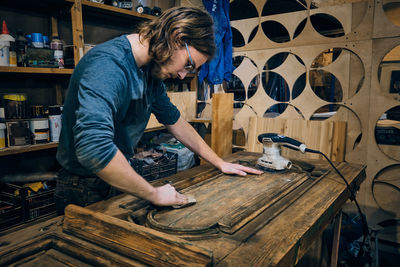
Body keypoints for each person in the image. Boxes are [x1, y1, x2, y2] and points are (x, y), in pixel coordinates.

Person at [55, 6, 262, 215]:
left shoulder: (151, 73)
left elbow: (174, 120)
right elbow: (93, 147)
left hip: (116, 178)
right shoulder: (109, 64)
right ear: (176, 37)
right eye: (188, 64)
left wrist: (219, 162)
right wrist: (154, 194)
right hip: (83, 186)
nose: (183, 75)